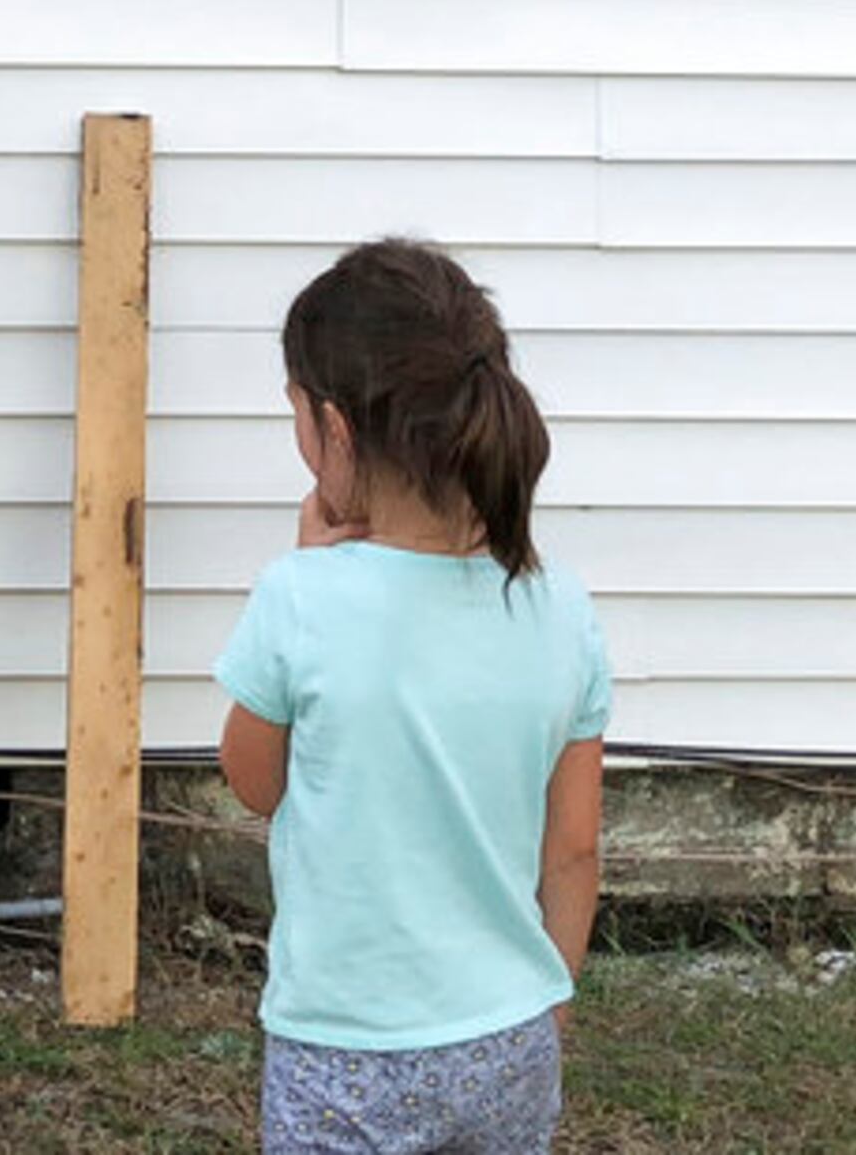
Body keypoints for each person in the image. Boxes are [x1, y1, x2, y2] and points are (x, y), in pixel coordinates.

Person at [215, 238, 611, 1155]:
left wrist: (312, 568)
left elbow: (254, 781)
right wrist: (548, 998)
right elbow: (575, 847)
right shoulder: (562, 608)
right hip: (511, 1034)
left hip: (344, 1051)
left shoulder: (299, 598)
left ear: (336, 433)